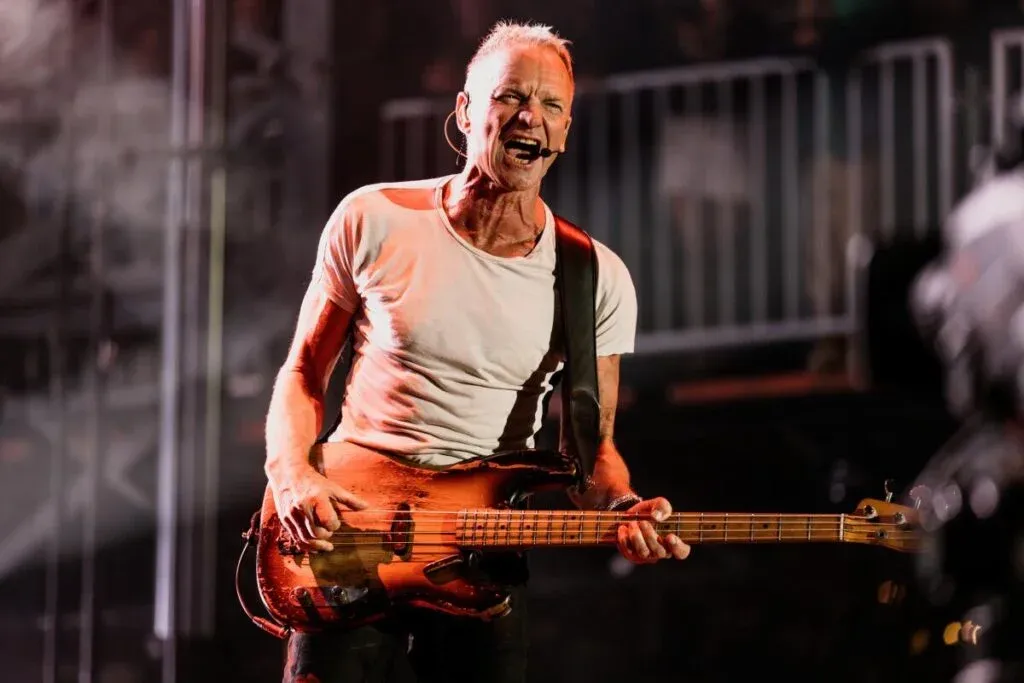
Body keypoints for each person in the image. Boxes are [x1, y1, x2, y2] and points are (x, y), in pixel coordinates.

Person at [263, 20, 689, 683]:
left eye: (551, 106)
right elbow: (301, 372)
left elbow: (593, 453)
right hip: (349, 532)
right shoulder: (372, 218)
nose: (531, 117)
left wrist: (623, 508)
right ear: (465, 111)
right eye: (511, 96)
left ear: (566, 134)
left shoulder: (594, 277)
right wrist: (292, 473)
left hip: (480, 553)